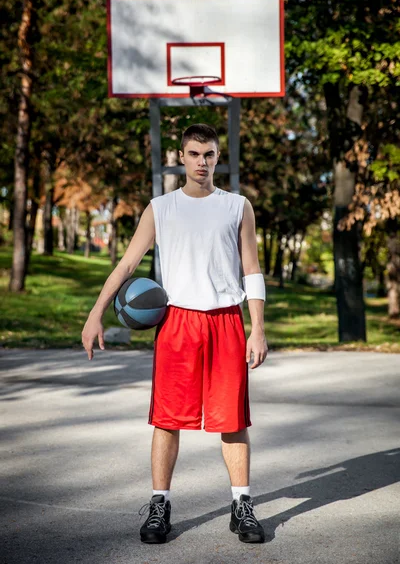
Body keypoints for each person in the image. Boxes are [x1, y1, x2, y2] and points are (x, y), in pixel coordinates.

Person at [81, 123, 268, 545]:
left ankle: (242, 505)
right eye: (194, 154)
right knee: (166, 420)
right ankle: (159, 505)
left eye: (209, 154)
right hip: (178, 322)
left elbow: (251, 270)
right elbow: (127, 264)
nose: (202, 162)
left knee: (233, 420)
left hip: (225, 320)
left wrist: (257, 328)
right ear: (180, 157)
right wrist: (96, 313)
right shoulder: (160, 208)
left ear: (219, 157)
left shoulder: (238, 206)